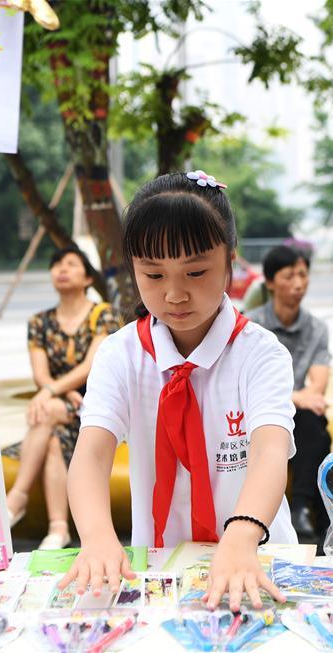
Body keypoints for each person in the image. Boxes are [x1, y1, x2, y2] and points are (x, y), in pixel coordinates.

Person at [60, 170, 296, 613]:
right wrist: (96, 539)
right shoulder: (121, 354)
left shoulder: (261, 353)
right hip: (159, 568)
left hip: (255, 556)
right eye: (153, 275)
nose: (174, 294)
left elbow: (269, 452)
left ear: (230, 260)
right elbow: (90, 455)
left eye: (195, 271)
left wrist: (241, 535)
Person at [3, 245, 120, 549]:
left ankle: (17, 497)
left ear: (87, 277)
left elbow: (91, 366)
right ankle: (58, 529)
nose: (62, 269)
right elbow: (40, 373)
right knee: (53, 438)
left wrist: (53, 390)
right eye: (56, 264)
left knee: (49, 409)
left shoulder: (103, 314)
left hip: (95, 406)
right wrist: (59, 390)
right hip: (60, 407)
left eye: (71, 263)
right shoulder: (39, 322)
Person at [246, 246, 331, 541]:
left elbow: (318, 386)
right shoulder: (249, 325)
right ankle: (304, 511)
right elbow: (247, 384)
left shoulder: (317, 328)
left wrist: (302, 399)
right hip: (254, 407)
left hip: (297, 410)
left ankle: (302, 509)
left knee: (313, 423)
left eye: (303, 275)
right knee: (305, 419)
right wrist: (296, 398)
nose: (298, 283)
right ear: (270, 282)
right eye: (288, 276)